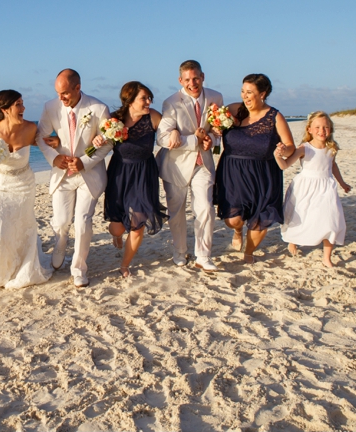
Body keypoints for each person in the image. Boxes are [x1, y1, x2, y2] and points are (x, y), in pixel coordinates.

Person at [35, 69, 112, 288]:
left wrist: (84, 162)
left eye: (66, 93)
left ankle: (79, 268)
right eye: (58, 93)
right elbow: (40, 137)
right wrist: (54, 157)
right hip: (62, 175)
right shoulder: (50, 107)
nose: (61, 98)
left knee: (82, 222)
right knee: (61, 221)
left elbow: (108, 142)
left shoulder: (98, 108)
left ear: (78, 88)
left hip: (89, 175)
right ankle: (60, 243)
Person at [0, 90, 52, 291]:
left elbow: (45, 142)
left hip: (24, 184)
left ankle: (24, 266)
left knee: (24, 225)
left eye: (22, 103)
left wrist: (58, 144)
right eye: (18, 104)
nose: (23, 108)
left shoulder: (31, 128)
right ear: (5, 109)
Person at [214, 73, 295, 262]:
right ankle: (237, 230)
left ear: (262, 94)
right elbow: (213, 124)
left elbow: (291, 147)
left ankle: (248, 252)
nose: (245, 96)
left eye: (250, 92)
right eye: (243, 91)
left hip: (263, 175)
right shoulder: (234, 109)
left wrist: (284, 150)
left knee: (260, 219)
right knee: (233, 219)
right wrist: (215, 129)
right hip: (232, 173)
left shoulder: (275, 117)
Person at [156, 60, 223, 270]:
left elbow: (219, 129)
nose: (192, 83)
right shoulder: (171, 102)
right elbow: (162, 139)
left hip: (203, 163)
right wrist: (194, 140)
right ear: (180, 80)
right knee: (176, 213)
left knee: (204, 207)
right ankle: (180, 252)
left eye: (195, 78)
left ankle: (203, 255)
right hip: (176, 166)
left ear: (203, 77)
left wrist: (214, 140)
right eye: (187, 80)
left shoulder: (215, 97)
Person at [100, 82, 166, 278]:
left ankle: (124, 264)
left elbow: (168, 133)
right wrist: (98, 140)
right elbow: (98, 140)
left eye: (149, 97)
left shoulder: (153, 117)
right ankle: (117, 236)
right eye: (144, 98)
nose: (149, 102)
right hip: (119, 174)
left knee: (138, 225)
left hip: (144, 173)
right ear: (129, 101)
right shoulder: (114, 120)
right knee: (117, 227)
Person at [278, 111, 351, 268]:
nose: (322, 130)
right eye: (317, 127)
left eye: (326, 127)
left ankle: (327, 257)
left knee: (331, 220)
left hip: (326, 187)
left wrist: (342, 183)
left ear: (330, 129)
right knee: (301, 218)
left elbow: (332, 165)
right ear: (309, 129)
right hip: (305, 187)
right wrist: (277, 155)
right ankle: (293, 240)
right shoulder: (305, 148)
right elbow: (285, 165)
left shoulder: (332, 148)